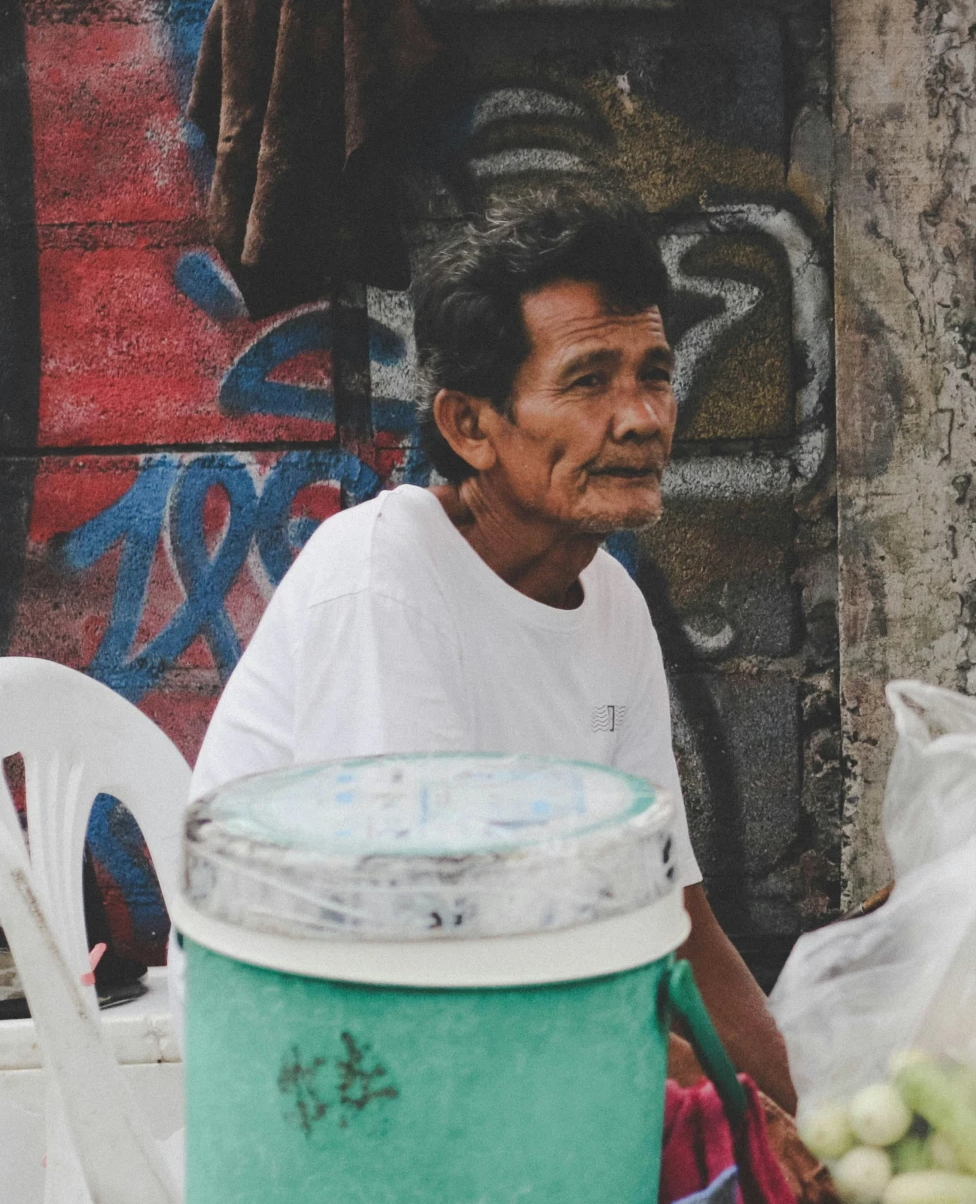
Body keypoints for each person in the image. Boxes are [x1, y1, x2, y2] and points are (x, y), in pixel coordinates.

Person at [190, 183, 799, 1111]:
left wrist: (800, 1117)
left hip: (481, 1027)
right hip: (309, 1061)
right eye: (590, 380)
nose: (641, 417)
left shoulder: (613, 605)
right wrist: (687, 1084)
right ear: (470, 425)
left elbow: (674, 913)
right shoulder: (385, 576)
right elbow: (420, 942)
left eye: (654, 372)